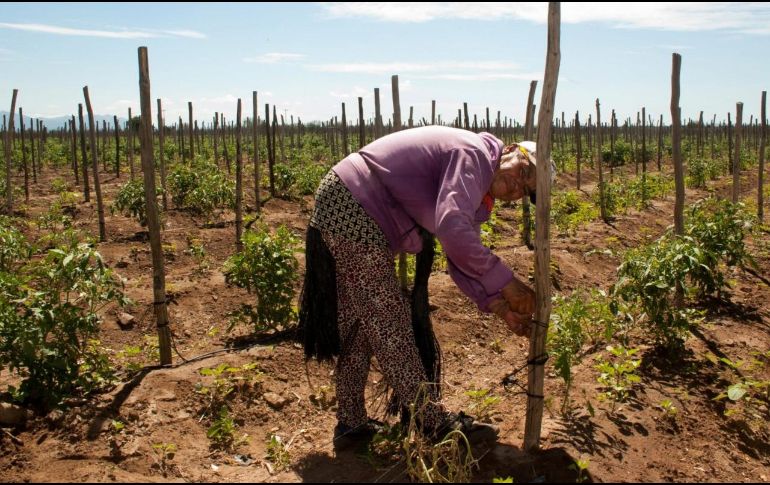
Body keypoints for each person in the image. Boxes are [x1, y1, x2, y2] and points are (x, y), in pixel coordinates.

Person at [298, 125, 552, 450]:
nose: (517, 185)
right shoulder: (474, 155)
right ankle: (431, 423)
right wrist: (508, 282)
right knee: (388, 321)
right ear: (511, 149)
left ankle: (351, 423)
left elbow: (459, 256)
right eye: (524, 171)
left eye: (525, 190)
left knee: (361, 324)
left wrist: (499, 306)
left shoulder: (478, 197)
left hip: (348, 201)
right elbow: (452, 230)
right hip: (354, 204)